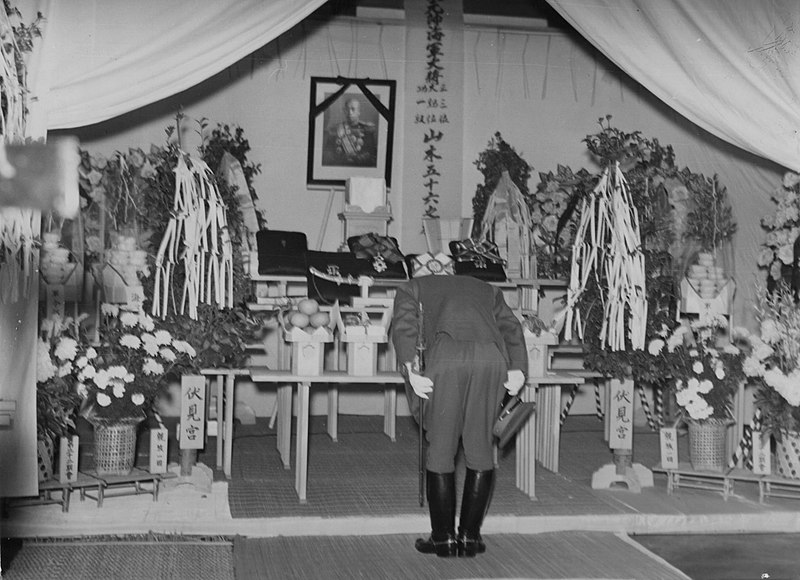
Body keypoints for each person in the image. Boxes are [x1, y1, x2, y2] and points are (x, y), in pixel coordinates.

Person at [390, 274, 527, 558]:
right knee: (479, 448)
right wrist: (519, 368)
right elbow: (512, 328)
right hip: (490, 360)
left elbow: (405, 327)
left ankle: (443, 539)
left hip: (446, 357)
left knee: (441, 449)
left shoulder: (410, 287)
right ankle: (470, 538)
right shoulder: (488, 288)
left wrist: (409, 368)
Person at [322, 97, 377, 167]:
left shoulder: (367, 130)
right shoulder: (335, 130)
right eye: (347, 109)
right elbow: (328, 154)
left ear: (359, 112)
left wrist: (357, 158)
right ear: (344, 111)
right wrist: (342, 158)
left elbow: (371, 155)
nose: (350, 113)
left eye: (353, 109)